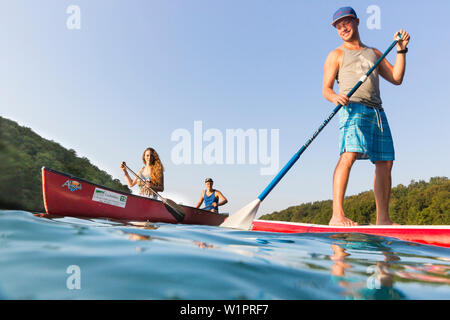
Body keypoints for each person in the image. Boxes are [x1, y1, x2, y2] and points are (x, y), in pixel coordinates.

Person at [322, 7, 410, 226]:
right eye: (338, 26)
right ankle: (337, 215)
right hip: (353, 109)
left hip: (377, 112)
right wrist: (335, 96)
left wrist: (401, 51)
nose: (343, 28)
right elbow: (326, 89)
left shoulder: (375, 52)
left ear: (357, 22)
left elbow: (397, 78)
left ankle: (383, 219)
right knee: (348, 155)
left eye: (347, 22)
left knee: (385, 162)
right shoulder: (336, 55)